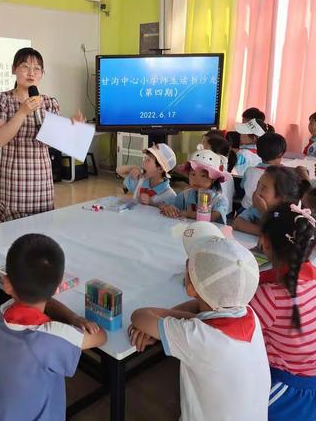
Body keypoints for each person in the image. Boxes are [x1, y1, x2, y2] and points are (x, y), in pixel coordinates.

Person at [129, 221, 270, 421]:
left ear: (191, 287)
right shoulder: (249, 313)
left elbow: (139, 316)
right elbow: (199, 314)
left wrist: (163, 324)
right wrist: (164, 326)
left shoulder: (198, 337)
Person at [0, 233, 107, 421]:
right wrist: (74, 319)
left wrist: (72, 317)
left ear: (7, 285)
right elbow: (101, 337)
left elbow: (43, 302)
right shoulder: (51, 337)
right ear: (58, 286)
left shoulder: (3, 312)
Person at [0, 47, 85, 224]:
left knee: (41, 236)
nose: (31, 73)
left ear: (42, 73)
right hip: (13, 181)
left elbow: (54, 141)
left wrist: (74, 130)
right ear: (14, 69)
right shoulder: (2, 99)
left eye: (37, 68)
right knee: (10, 238)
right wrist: (22, 112)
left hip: (41, 182)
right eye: (25, 66)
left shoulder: (49, 102)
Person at [249, 203, 316, 420]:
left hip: (288, 391)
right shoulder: (312, 277)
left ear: (265, 243)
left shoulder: (270, 297)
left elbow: (226, 327)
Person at [161, 149, 230, 224]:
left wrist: (189, 214)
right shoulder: (185, 195)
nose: (196, 180)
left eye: (203, 176)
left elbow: (213, 216)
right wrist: (169, 208)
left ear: (214, 178)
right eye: (193, 174)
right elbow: (170, 205)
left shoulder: (220, 200)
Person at [233, 165, 301, 235]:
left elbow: (279, 235)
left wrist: (265, 212)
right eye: (257, 186)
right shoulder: (256, 209)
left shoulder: (288, 217)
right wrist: (265, 232)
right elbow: (237, 223)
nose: (257, 192)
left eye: (263, 188)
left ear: (282, 198)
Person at [240, 132, 287, 210]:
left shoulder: (249, 171)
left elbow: (242, 186)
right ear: (281, 154)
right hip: (267, 213)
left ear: (258, 152)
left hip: (245, 209)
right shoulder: (283, 175)